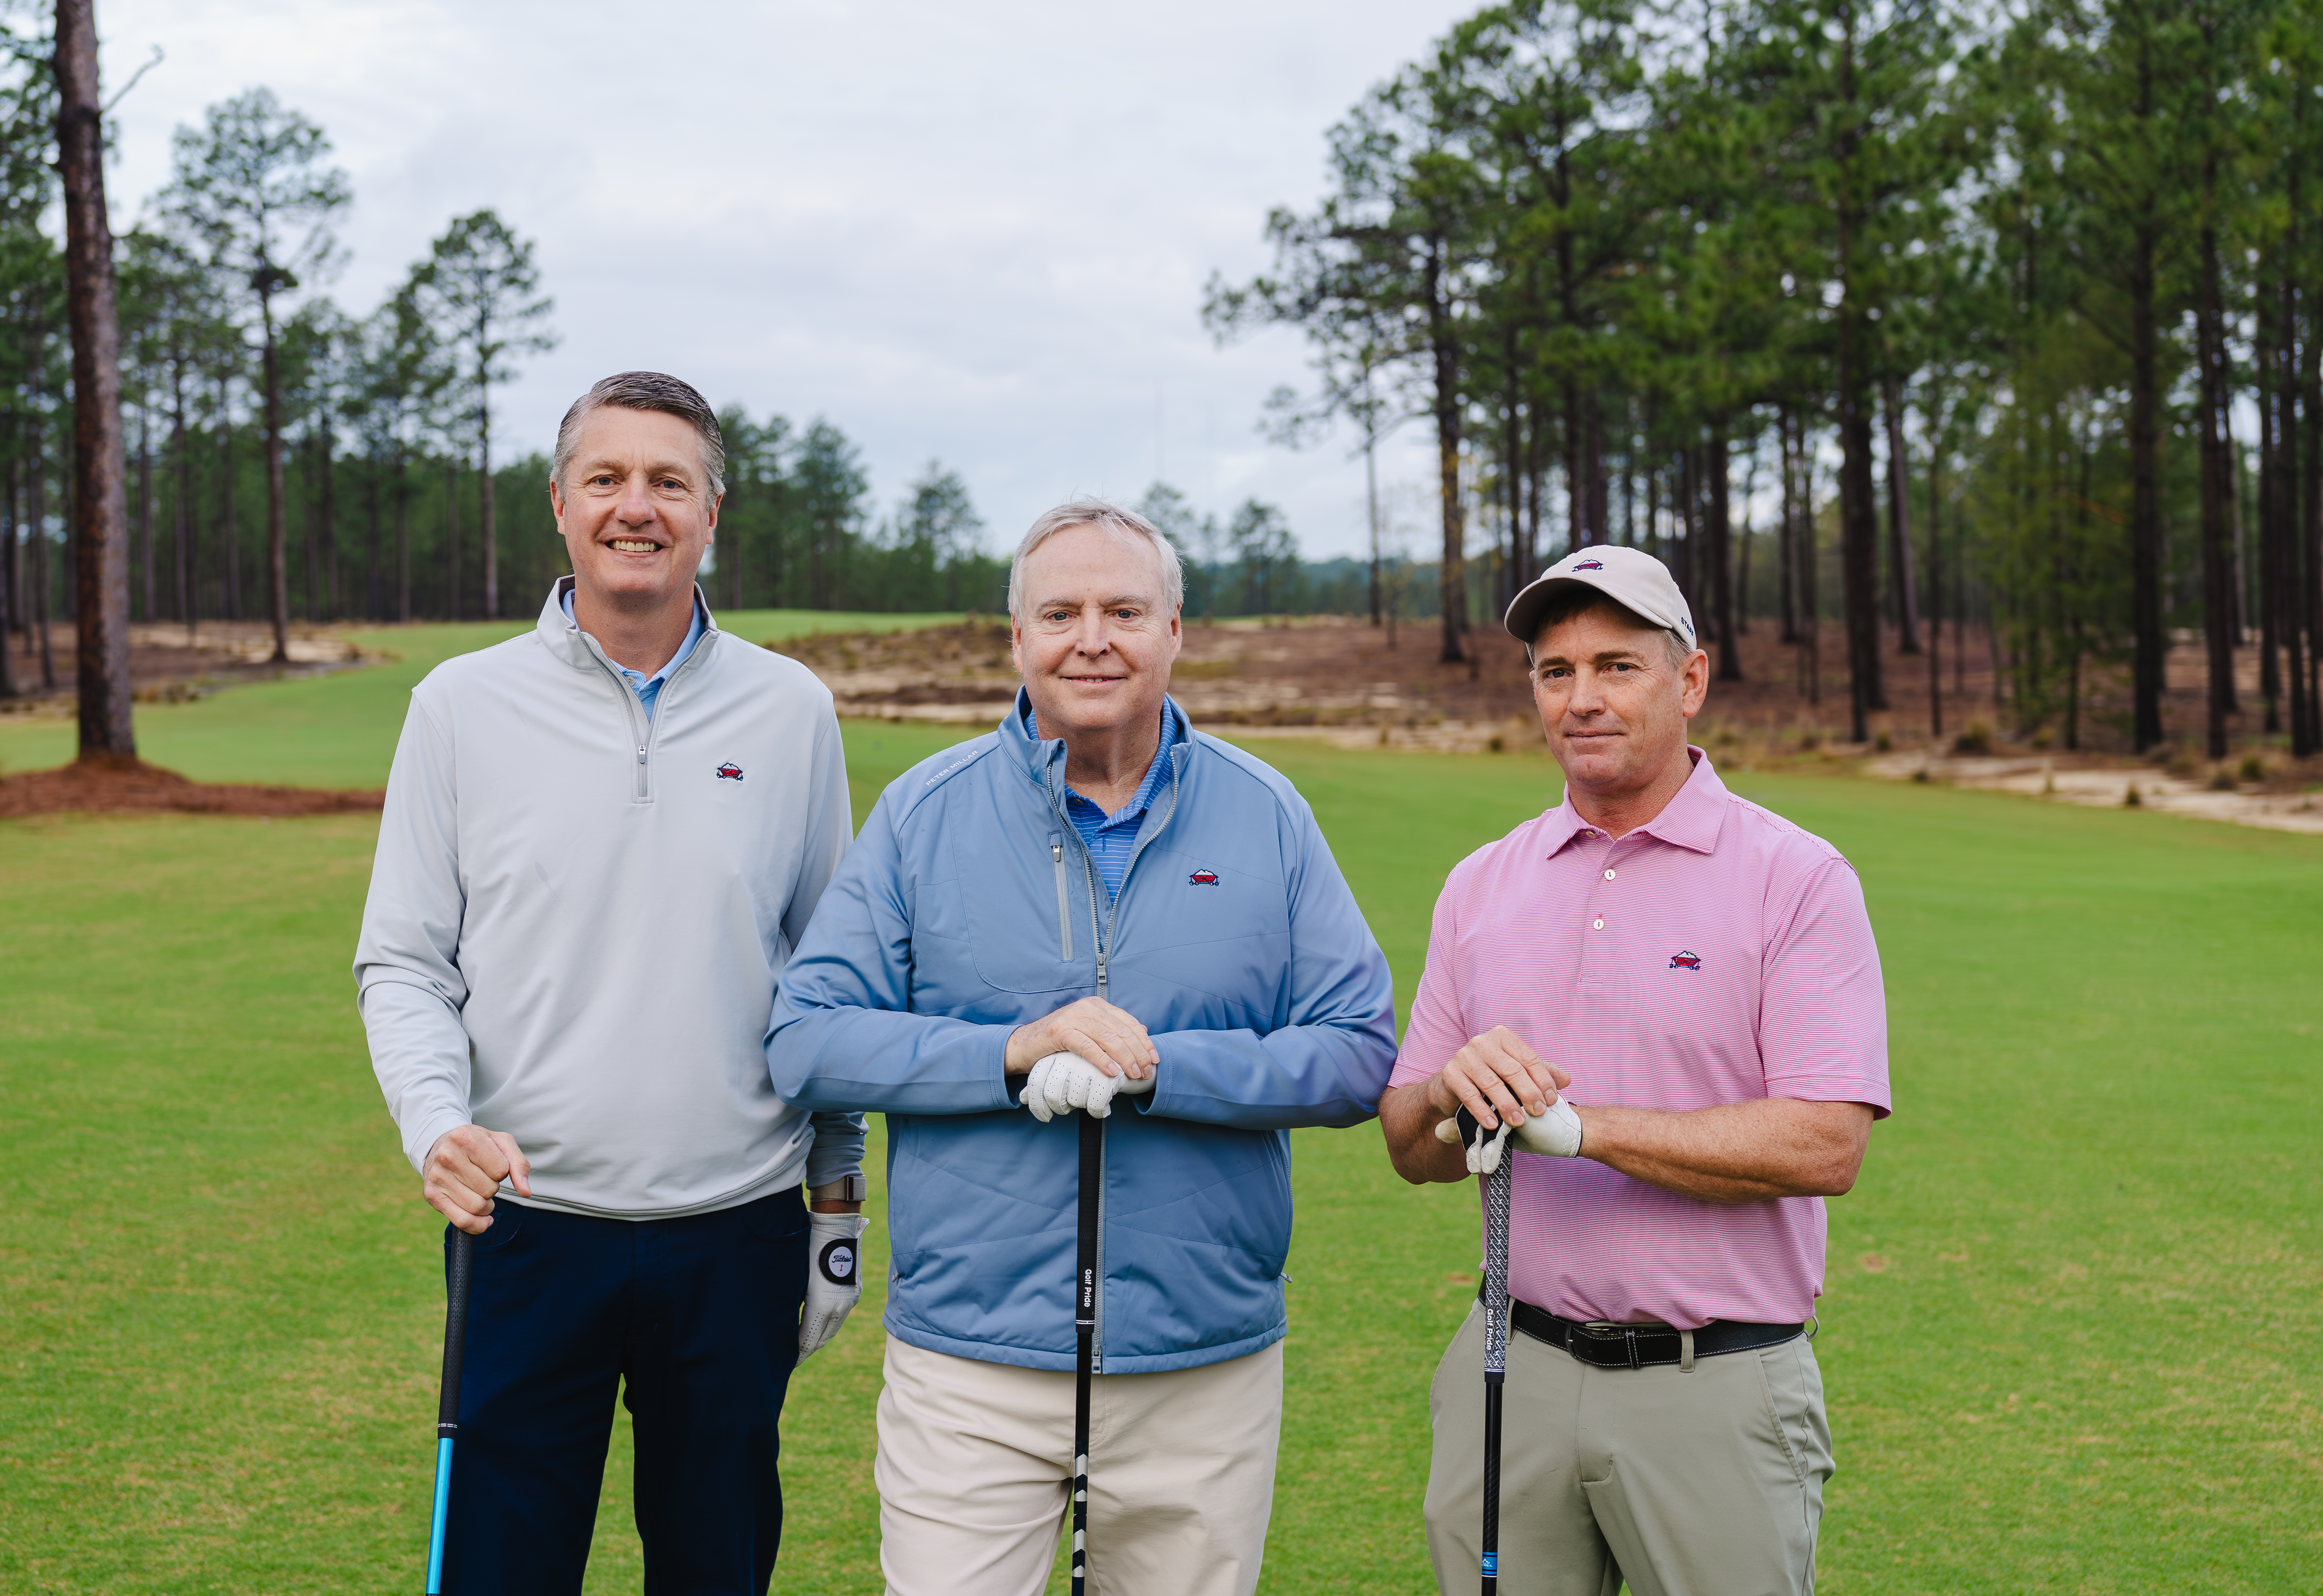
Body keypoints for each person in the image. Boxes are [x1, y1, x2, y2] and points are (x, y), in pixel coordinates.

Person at [767, 498, 1397, 1596]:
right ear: (1019, 637)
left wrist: (1161, 1072)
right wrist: (1012, 1053)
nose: (1092, 640)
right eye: (1060, 613)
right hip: (972, 1365)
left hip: (1201, 1365)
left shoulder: (1267, 812)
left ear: (1175, 630)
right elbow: (807, 1038)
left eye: (1125, 611)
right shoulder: (924, 813)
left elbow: (1356, 1050)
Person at [354, 371, 868, 1595]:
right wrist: (436, 1124)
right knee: (502, 1571)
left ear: (710, 513)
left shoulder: (792, 710)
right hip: (526, 1230)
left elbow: (832, 979)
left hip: (738, 1230)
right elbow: (405, 960)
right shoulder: (459, 706)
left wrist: (838, 1200)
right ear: (561, 502)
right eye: (607, 477)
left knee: (716, 1569)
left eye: (668, 481)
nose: (636, 505)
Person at [1379, 545, 1889, 1596]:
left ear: (1690, 680)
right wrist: (1445, 1093)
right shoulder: (1481, 884)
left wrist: (1583, 1129)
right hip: (1511, 1367)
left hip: (1716, 1383)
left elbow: (1826, 1144)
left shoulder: (1795, 877)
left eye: (1618, 666)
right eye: (1556, 671)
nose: (1583, 698)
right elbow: (1410, 1146)